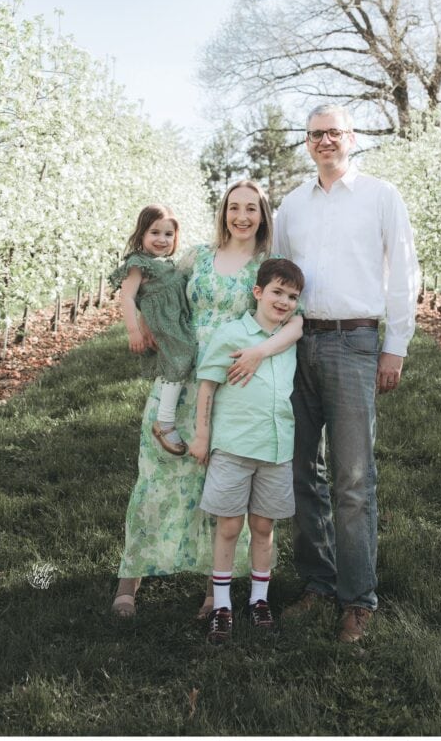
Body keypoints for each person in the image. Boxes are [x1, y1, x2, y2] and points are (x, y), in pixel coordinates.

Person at [111, 180, 303, 618]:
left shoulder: (267, 265)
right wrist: (142, 323)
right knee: (155, 469)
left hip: (231, 379)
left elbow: (297, 321)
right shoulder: (196, 255)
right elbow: (155, 290)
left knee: (218, 481)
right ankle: (131, 577)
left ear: (263, 215)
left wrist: (258, 352)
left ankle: (214, 588)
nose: (241, 216)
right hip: (178, 372)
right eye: (233, 207)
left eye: (251, 208)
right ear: (223, 212)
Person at [273, 103, 419, 644]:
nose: (325, 141)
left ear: (351, 138)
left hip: (356, 342)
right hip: (298, 344)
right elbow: (278, 275)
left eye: (333, 132)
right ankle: (317, 583)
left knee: (353, 480)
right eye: (315, 134)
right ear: (307, 142)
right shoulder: (292, 206)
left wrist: (395, 346)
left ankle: (358, 599)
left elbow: (404, 270)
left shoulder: (381, 197)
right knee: (299, 472)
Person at [188, 257, 305, 643]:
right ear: (258, 292)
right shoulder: (232, 334)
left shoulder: (288, 335)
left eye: (292, 296)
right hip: (234, 445)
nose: (284, 301)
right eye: (277, 292)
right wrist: (203, 436)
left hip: (276, 447)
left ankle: (259, 599)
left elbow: (299, 324)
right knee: (229, 525)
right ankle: (221, 604)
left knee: (263, 526)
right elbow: (207, 384)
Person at [109, 204, 197, 456]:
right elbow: (127, 297)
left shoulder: (166, 262)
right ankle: (165, 421)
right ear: (142, 234)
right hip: (165, 325)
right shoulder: (138, 263)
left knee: (183, 360)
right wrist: (134, 330)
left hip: (177, 321)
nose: (162, 239)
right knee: (180, 359)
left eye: (168, 234)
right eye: (155, 232)